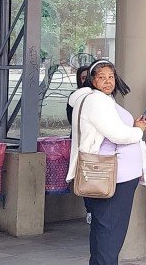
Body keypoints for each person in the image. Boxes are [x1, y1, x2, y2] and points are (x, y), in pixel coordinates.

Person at [66, 59, 146, 265]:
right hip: (113, 177)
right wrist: (138, 128)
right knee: (110, 234)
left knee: (104, 231)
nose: (108, 81)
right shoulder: (97, 101)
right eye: (101, 77)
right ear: (92, 81)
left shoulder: (100, 100)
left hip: (116, 176)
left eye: (111, 77)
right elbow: (117, 134)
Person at [64, 65, 92, 224]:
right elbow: (72, 120)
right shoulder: (74, 97)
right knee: (85, 177)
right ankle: (89, 210)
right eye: (83, 78)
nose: (87, 81)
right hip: (80, 142)